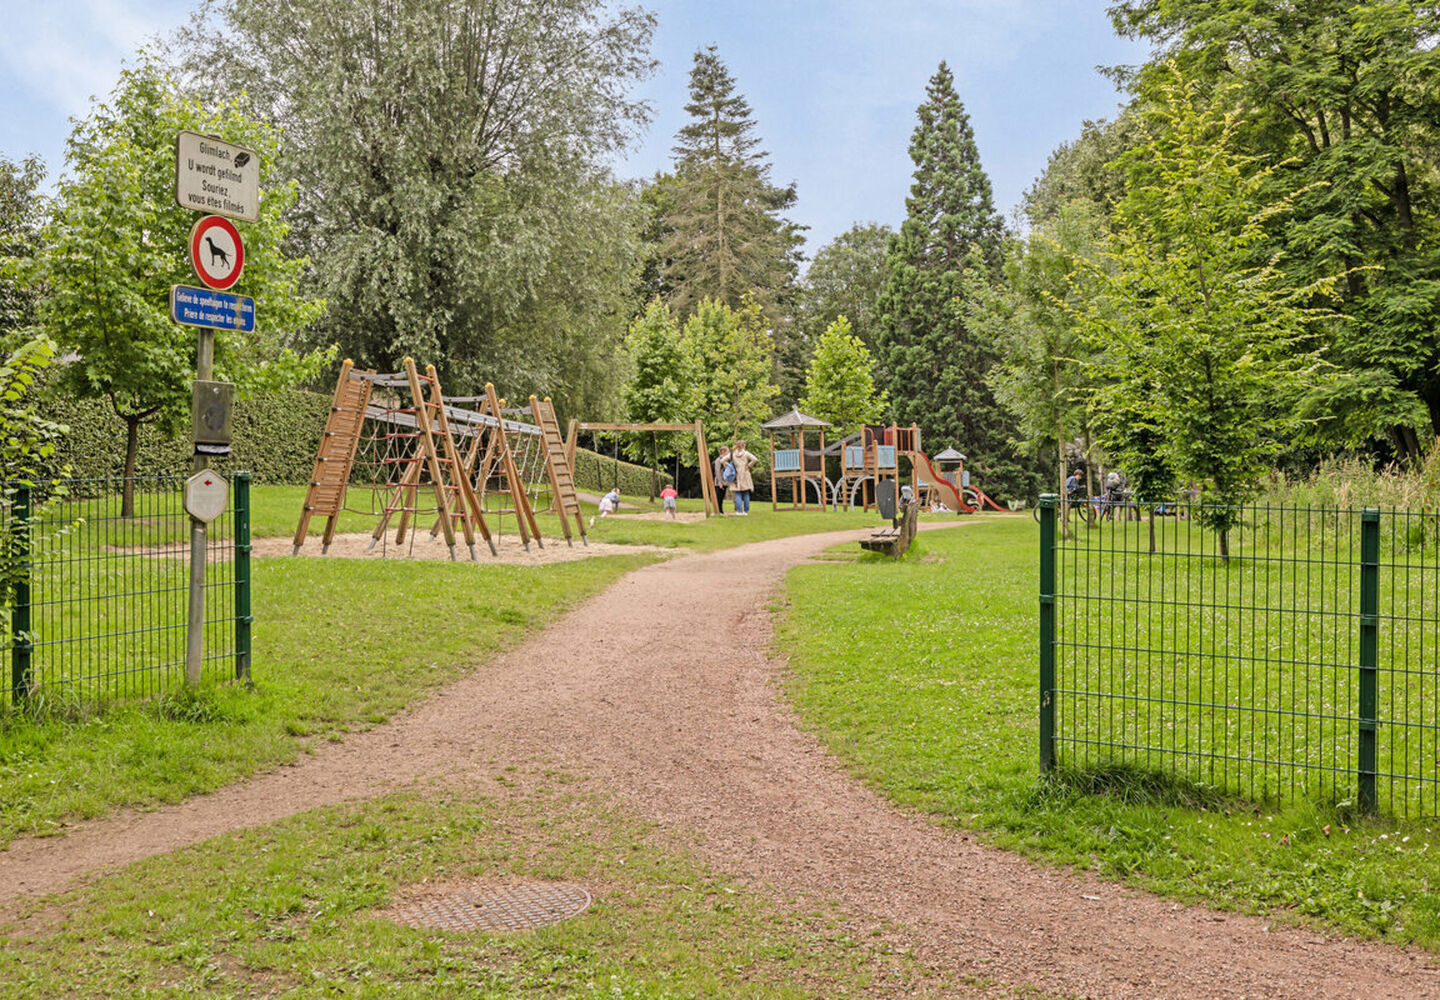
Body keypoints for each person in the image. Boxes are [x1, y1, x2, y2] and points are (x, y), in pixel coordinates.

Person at [729, 439, 758, 515]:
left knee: (738, 492)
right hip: (745, 473)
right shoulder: (746, 453)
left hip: (737, 473)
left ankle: (739, 511)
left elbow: (723, 460)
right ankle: (746, 511)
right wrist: (748, 465)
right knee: (746, 492)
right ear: (743, 445)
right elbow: (755, 459)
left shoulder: (733, 454)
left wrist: (730, 467)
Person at [712, 445, 731, 513]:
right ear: (723, 451)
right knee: (718, 496)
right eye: (728, 451)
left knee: (722, 496)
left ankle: (720, 510)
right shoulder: (718, 460)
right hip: (719, 481)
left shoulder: (725, 460)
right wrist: (720, 482)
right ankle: (717, 510)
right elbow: (717, 471)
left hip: (725, 481)